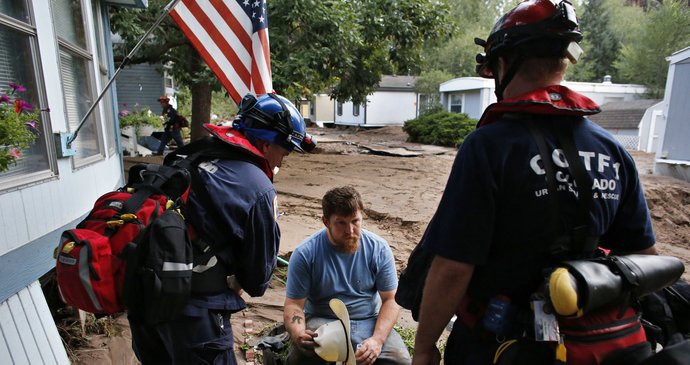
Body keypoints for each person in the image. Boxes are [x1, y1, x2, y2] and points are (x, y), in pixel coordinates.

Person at [411, 1, 657, 364]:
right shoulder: (612, 150)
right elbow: (644, 260)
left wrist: (424, 345)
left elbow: (453, 268)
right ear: (562, 62)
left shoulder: (488, 147)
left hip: (499, 346)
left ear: (503, 64)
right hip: (590, 347)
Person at [129, 92, 315, 364]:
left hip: (145, 305)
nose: (281, 162)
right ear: (265, 144)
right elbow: (257, 279)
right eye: (283, 152)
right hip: (195, 319)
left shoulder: (193, 155)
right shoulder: (259, 189)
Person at [284, 186, 412, 365]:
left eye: (355, 221)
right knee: (299, 359)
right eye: (341, 223)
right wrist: (298, 332)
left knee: (401, 361)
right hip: (323, 321)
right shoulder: (306, 253)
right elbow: (294, 305)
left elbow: (391, 300)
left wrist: (378, 339)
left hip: (367, 320)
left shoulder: (379, 249)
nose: (350, 231)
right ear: (326, 221)